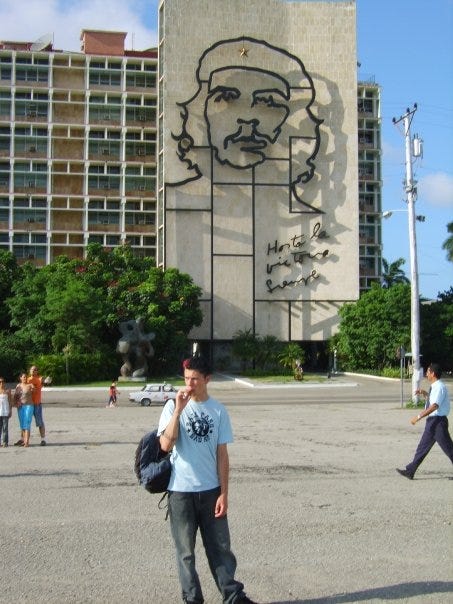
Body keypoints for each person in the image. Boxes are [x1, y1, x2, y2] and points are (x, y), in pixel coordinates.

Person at [158, 356, 256, 604]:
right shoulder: (171, 407)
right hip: (180, 491)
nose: (189, 384)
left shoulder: (218, 410)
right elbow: (165, 445)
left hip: (211, 491)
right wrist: (178, 410)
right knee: (185, 553)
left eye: (195, 379)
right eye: (186, 378)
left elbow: (222, 455)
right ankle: (192, 599)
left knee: (220, 548)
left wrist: (224, 493)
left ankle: (232, 596)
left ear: (207, 380)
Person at [397, 362, 453, 479]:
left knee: (448, 448)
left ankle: (410, 470)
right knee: (422, 447)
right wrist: (425, 393)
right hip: (433, 421)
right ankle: (410, 471)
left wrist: (418, 417)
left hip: (437, 422)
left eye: (427, 371)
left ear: (433, 373)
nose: (426, 374)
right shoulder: (435, 387)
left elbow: (434, 406)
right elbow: (433, 401)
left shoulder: (439, 387)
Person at [27, 365, 46, 446]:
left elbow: (46, 383)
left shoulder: (39, 379)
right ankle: (23, 439)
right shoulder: (27, 379)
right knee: (26, 422)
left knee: (40, 422)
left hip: (37, 404)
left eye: (35, 370)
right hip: (28, 404)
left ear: (37, 371)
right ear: (29, 370)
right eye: (32, 369)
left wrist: (46, 381)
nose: (33, 371)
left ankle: (43, 440)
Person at [14, 373, 34, 448]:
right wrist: (16, 403)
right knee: (22, 424)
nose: (25, 378)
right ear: (20, 378)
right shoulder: (18, 386)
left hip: (29, 406)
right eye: (24, 377)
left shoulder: (30, 385)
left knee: (27, 423)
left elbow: (35, 391)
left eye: (26, 377)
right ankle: (23, 440)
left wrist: (33, 388)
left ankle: (27, 442)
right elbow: (15, 396)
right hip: (20, 407)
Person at [0, 377, 12, 447]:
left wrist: (10, 410)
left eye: (2, 381)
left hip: (5, 411)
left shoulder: (7, 391)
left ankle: (5, 442)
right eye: (0, 382)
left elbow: (10, 401)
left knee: (5, 428)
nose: (1, 383)